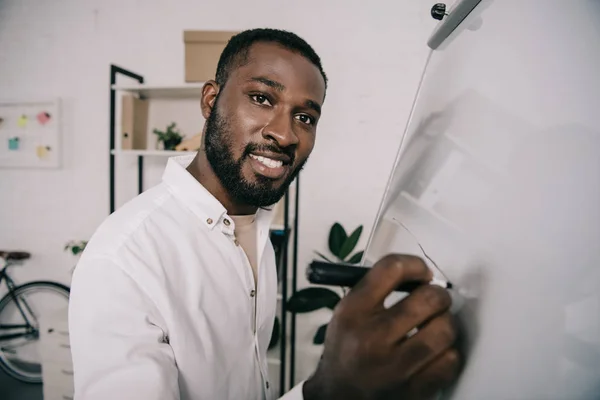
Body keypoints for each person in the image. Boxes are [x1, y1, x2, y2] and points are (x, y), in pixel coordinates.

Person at [69, 28, 460, 400]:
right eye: (262, 99)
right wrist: (327, 392)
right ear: (210, 101)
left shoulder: (255, 226)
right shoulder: (123, 260)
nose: (286, 134)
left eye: (305, 118)